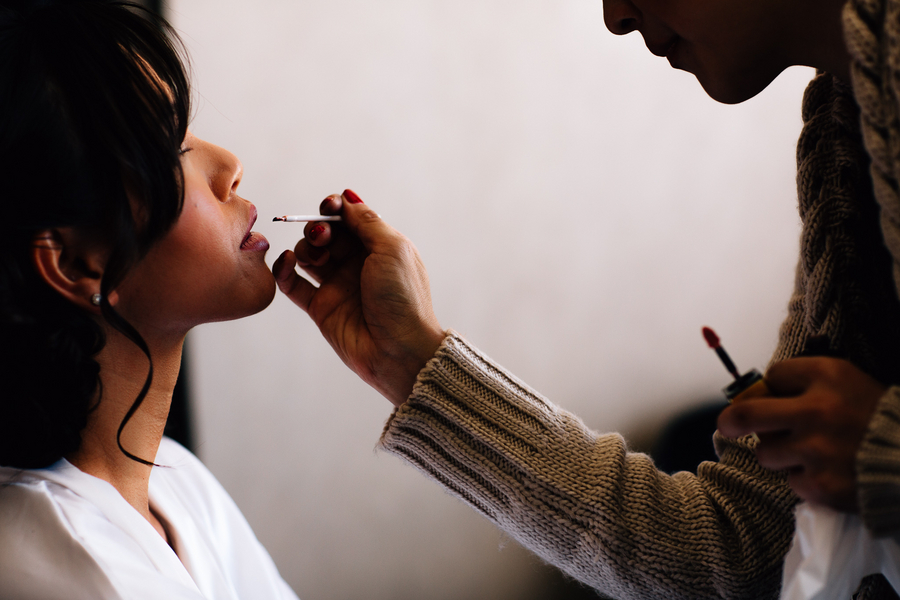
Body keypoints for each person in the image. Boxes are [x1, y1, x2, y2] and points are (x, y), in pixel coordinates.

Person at [272, 0, 900, 597]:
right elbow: (741, 559)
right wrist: (411, 359)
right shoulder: (844, 131)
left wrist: (883, 453)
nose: (614, 17)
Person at [0, 2, 297, 598]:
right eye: (169, 148)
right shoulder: (67, 564)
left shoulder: (178, 481)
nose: (229, 166)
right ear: (74, 263)